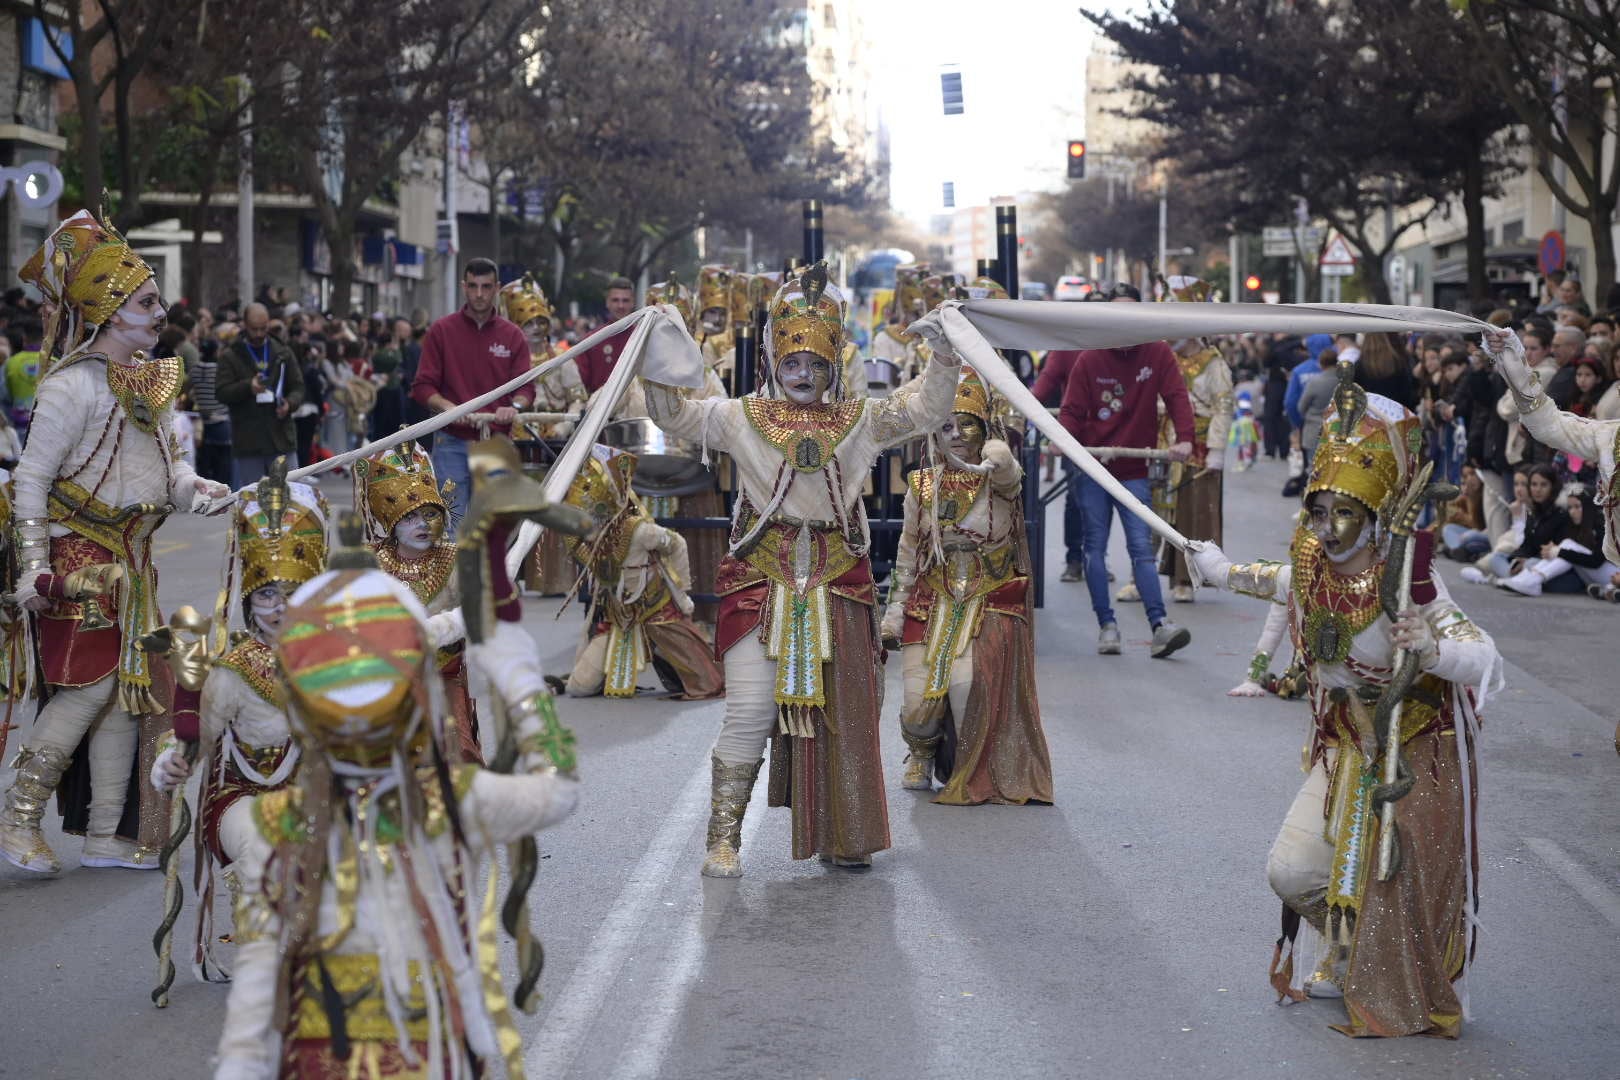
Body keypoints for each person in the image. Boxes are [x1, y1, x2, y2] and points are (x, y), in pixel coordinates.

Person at [210, 513, 580, 1079]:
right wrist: (526, 690)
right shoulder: (441, 803)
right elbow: (558, 793)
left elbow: (257, 995)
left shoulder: (288, 821)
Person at [1191, 370, 1500, 1038]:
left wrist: (1431, 650)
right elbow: (1277, 583)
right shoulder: (1308, 559)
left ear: (1374, 513)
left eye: (1345, 514)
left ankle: (1376, 965)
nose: (1328, 529)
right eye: (1319, 511)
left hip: (1409, 756)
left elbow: (1479, 650)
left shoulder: (1408, 577)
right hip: (1343, 747)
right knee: (1293, 871)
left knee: (1392, 891)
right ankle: (1350, 945)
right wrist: (1214, 567)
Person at [638, 263, 963, 876]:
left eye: (815, 364)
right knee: (750, 712)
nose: (803, 376)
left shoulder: (861, 419)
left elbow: (923, 410)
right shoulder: (739, 416)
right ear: (772, 361)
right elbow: (674, 415)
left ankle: (846, 833)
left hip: (839, 582)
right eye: (792, 364)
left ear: (833, 362)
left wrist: (944, 354)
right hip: (760, 581)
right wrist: (658, 348)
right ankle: (723, 840)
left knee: (846, 715)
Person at [0, 210, 232, 874]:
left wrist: (199, 489)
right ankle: (17, 818)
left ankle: (104, 834)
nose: (161, 313)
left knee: (126, 693)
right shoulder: (67, 388)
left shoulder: (148, 385)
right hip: (81, 558)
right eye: (148, 302)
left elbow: (168, 469)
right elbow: (31, 481)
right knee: (86, 690)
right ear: (109, 309)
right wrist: (36, 572)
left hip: (134, 559)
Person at [149, 471, 328, 980]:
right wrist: (174, 760)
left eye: (292, 593)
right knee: (263, 842)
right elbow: (198, 735)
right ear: (249, 600)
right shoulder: (233, 668)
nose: (279, 607)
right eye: (267, 594)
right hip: (240, 798)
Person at [882, 370, 1053, 804]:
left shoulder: (996, 472)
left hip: (985, 598)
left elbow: (1010, 480)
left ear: (984, 428)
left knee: (962, 689)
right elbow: (908, 552)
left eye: (967, 424)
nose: (956, 435)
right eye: (945, 426)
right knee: (916, 707)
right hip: (930, 599)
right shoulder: (920, 485)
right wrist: (894, 613)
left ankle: (969, 763)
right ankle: (919, 752)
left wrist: (1002, 455)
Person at [1055, 285, 1195, 658]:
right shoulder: (1090, 358)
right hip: (1094, 467)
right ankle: (1107, 624)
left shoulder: (1158, 351)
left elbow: (1177, 396)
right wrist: (1061, 438)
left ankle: (1160, 625)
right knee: (1095, 548)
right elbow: (1071, 410)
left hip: (1134, 467)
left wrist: (1185, 439)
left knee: (1141, 548)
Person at [552, 445, 725, 700]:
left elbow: (677, 544)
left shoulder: (641, 530)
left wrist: (681, 591)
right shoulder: (589, 539)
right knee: (580, 687)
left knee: (701, 676)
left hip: (656, 609)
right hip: (618, 616)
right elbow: (584, 554)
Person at [354, 441, 479, 762]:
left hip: (442, 676)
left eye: (429, 515)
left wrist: (442, 628)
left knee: (454, 752)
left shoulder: (454, 558)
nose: (423, 525)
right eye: (410, 517)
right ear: (391, 521)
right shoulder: (369, 562)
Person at [410, 257, 533, 525]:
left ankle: (488, 569)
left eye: (486, 286)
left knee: (492, 527)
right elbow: (422, 386)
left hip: (495, 442)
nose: (479, 294)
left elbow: (526, 388)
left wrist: (515, 407)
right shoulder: (441, 331)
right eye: (474, 286)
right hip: (451, 441)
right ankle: (452, 568)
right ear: (463, 287)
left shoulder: (513, 336)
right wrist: (447, 407)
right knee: (449, 525)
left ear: (497, 288)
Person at [1160, 330, 1235, 603]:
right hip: (1167, 442)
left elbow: (1223, 408)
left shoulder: (1215, 364)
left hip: (1201, 448)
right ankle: (1149, 574)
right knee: (1165, 513)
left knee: (1194, 514)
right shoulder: (1167, 358)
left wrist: (1216, 451)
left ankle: (1186, 579)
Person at [216, 302, 305, 486]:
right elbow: (222, 392)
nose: (258, 334)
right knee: (253, 502)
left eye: (263, 328)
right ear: (244, 326)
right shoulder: (230, 355)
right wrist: (248, 387)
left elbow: (298, 387)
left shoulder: (283, 352)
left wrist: (290, 403)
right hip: (249, 440)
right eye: (253, 329)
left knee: (292, 495)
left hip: (281, 437)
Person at [575, 276, 637, 393]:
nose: (620, 306)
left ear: (633, 303)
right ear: (607, 302)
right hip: (599, 407)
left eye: (625, 300)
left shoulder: (644, 338)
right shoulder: (591, 340)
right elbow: (579, 384)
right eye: (615, 300)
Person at [0, 318, 43, 445]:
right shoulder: (55, 362)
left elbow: (4, 397)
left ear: (24, 337)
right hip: (43, 428)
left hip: (17, 425)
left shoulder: (11, 363)